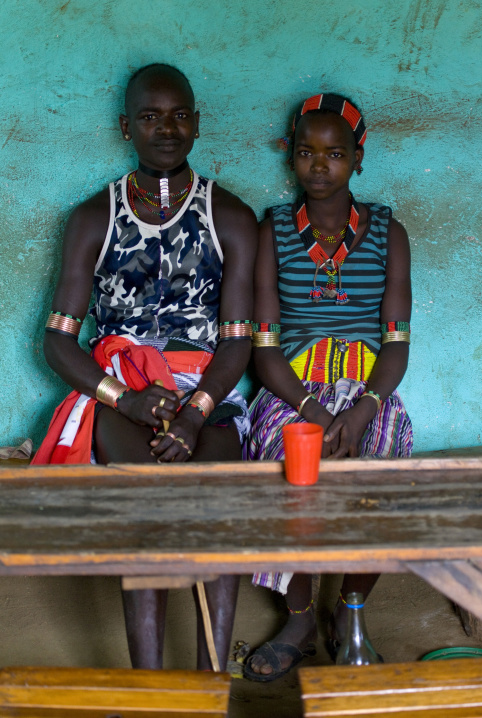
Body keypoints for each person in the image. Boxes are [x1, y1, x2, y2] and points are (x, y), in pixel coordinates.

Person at [32, 63, 257, 671]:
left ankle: (212, 684)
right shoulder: (92, 219)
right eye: (151, 117)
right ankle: (150, 691)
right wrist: (122, 399)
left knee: (220, 515)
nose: (167, 128)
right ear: (124, 126)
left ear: (198, 125)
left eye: (180, 115)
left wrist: (195, 413)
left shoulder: (232, 218)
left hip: (208, 394)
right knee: (145, 514)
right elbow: (57, 342)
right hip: (123, 393)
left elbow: (238, 342)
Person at [244, 93, 413, 681]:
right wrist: (312, 409)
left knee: (384, 472)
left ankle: (351, 608)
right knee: (283, 469)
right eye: (307, 153)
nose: (320, 165)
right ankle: (298, 617)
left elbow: (395, 345)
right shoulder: (274, 232)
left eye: (335, 153)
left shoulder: (390, 234)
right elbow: (264, 349)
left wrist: (367, 408)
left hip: (368, 389)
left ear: (357, 159)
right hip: (294, 389)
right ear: (290, 158)